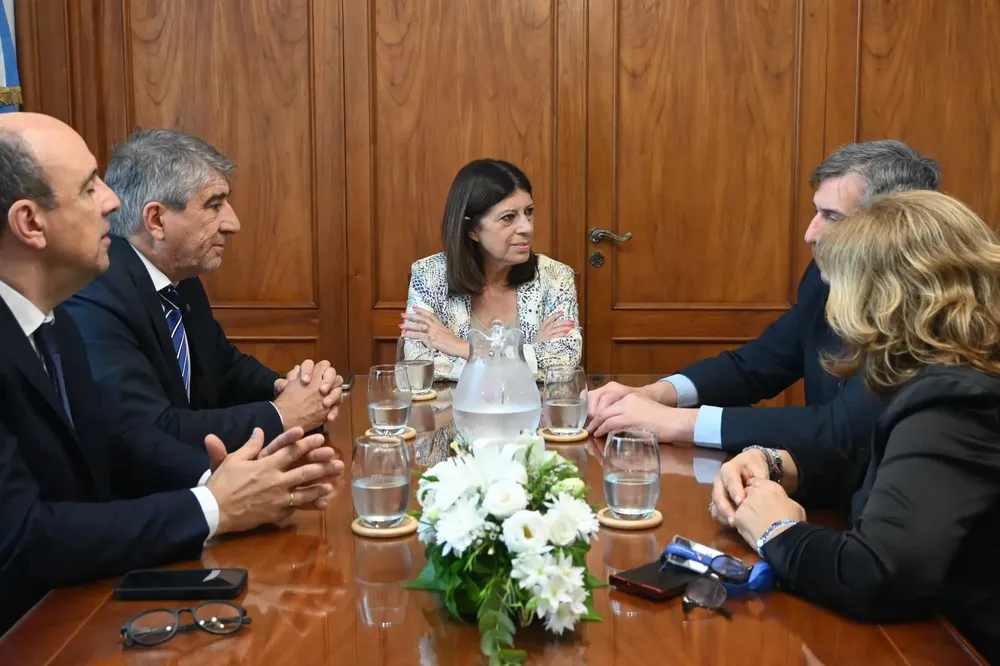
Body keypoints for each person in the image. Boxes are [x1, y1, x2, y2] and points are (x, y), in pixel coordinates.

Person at [0, 112, 343, 634]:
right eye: (91, 189)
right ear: (29, 223)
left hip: (84, 600)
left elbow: (118, 453)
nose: (113, 202)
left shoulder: (53, 322)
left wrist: (234, 484)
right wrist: (213, 505)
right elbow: (23, 539)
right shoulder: (82, 305)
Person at [711, 191, 1000, 664]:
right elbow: (867, 458)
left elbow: (877, 574)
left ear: (884, 296)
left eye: (838, 285)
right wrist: (775, 463)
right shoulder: (931, 365)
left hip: (948, 644)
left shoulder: (956, 400)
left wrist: (776, 531)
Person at [586, 141, 941, 482]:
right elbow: (756, 365)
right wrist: (655, 393)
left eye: (832, 216)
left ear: (891, 226)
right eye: (816, 211)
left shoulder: (928, 316)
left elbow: (839, 429)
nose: (810, 233)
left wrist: (676, 423)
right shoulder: (823, 279)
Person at [63, 129, 341, 451]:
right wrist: (282, 415)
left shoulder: (181, 280)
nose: (233, 223)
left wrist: (289, 388)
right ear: (156, 220)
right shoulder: (97, 293)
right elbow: (151, 429)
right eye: (214, 205)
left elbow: (223, 368)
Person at [402, 159, 581, 380]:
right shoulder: (429, 274)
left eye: (529, 211)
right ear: (471, 230)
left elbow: (564, 360)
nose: (527, 227)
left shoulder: (555, 276)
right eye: (508, 217)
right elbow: (418, 365)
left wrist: (462, 348)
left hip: (532, 412)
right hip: (452, 412)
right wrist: (528, 355)